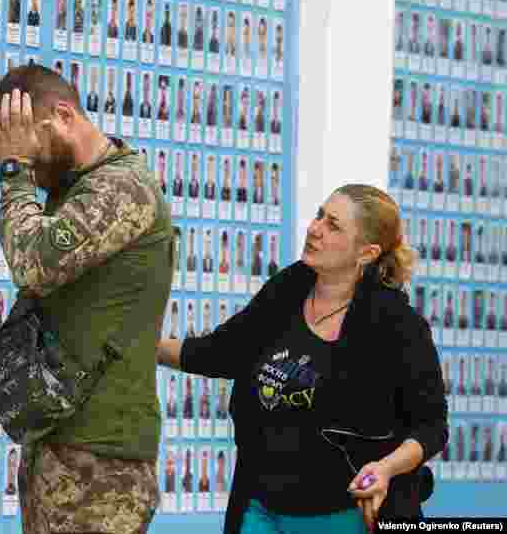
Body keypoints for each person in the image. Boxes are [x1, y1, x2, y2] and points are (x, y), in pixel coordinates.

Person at [156, 185, 448, 533]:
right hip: (260, 506)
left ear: (366, 253)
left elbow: (431, 427)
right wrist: (136, 343)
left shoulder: (396, 324)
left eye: (333, 225)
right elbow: (220, 353)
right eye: (319, 215)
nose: (315, 228)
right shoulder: (290, 286)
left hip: (342, 513)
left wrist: (386, 468)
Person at [0, 64, 172, 534]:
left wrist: (15, 172)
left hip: (103, 461)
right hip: (59, 444)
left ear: (64, 115)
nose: (27, 157)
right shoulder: (74, 187)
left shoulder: (124, 187)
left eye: (30, 143)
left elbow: (34, 264)